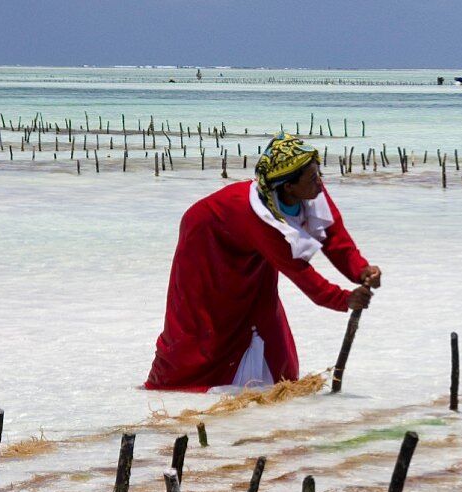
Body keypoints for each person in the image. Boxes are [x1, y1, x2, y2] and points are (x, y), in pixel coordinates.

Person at [145, 133, 380, 391]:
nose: (320, 182)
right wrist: (344, 299)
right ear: (288, 186)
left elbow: (335, 237)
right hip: (206, 241)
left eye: (319, 173)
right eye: (313, 178)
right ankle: (180, 386)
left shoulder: (311, 191)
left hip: (248, 244)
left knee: (264, 314)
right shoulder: (261, 219)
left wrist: (361, 270)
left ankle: (268, 387)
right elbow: (301, 274)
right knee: (205, 322)